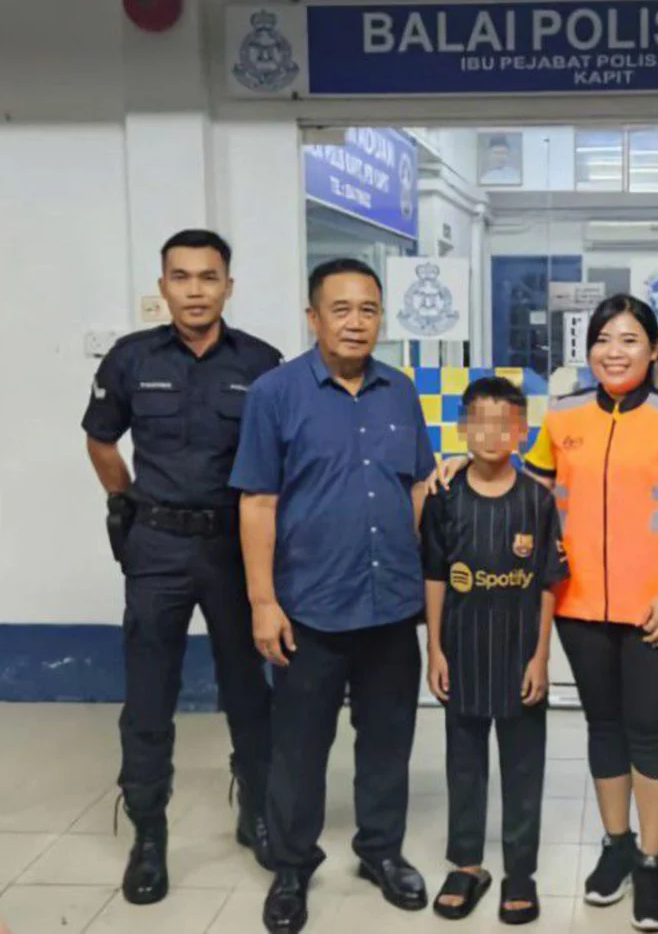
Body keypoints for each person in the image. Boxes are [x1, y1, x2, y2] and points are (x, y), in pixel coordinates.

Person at [431, 294, 658, 933]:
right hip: (580, 605)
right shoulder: (564, 415)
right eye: (603, 340)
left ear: (655, 350)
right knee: (603, 726)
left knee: (650, 730)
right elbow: (523, 489)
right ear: (588, 350)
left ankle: (651, 861)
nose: (614, 352)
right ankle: (617, 846)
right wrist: (463, 464)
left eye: (629, 340)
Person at [230, 257, 435, 934]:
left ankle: (381, 851)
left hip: (391, 604)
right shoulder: (275, 393)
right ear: (313, 317)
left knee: (388, 739)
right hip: (309, 607)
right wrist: (263, 601)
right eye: (340, 309)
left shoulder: (400, 391)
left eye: (368, 309)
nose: (355, 322)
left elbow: (417, 485)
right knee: (299, 747)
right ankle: (291, 866)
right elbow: (258, 501)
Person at [81, 229, 281, 905]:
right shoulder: (132, 359)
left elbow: (280, 457)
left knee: (249, 688)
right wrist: (127, 502)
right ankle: (148, 831)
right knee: (149, 693)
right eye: (182, 277)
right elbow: (100, 440)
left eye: (208, 276)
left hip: (234, 547)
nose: (195, 290)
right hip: (158, 546)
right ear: (163, 285)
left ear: (229, 285)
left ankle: (256, 809)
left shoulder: (262, 363)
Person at [421, 376, 567, 926]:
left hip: (518, 653)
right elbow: (435, 575)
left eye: (503, 424)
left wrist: (541, 657)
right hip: (462, 651)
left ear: (522, 432)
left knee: (523, 764)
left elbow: (548, 582)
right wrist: (435, 649)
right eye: (479, 422)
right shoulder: (443, 497)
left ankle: (520, 870)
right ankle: (466, 863)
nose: (490, 434)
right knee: (464, 762)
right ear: (463, 428)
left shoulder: (537, 500)